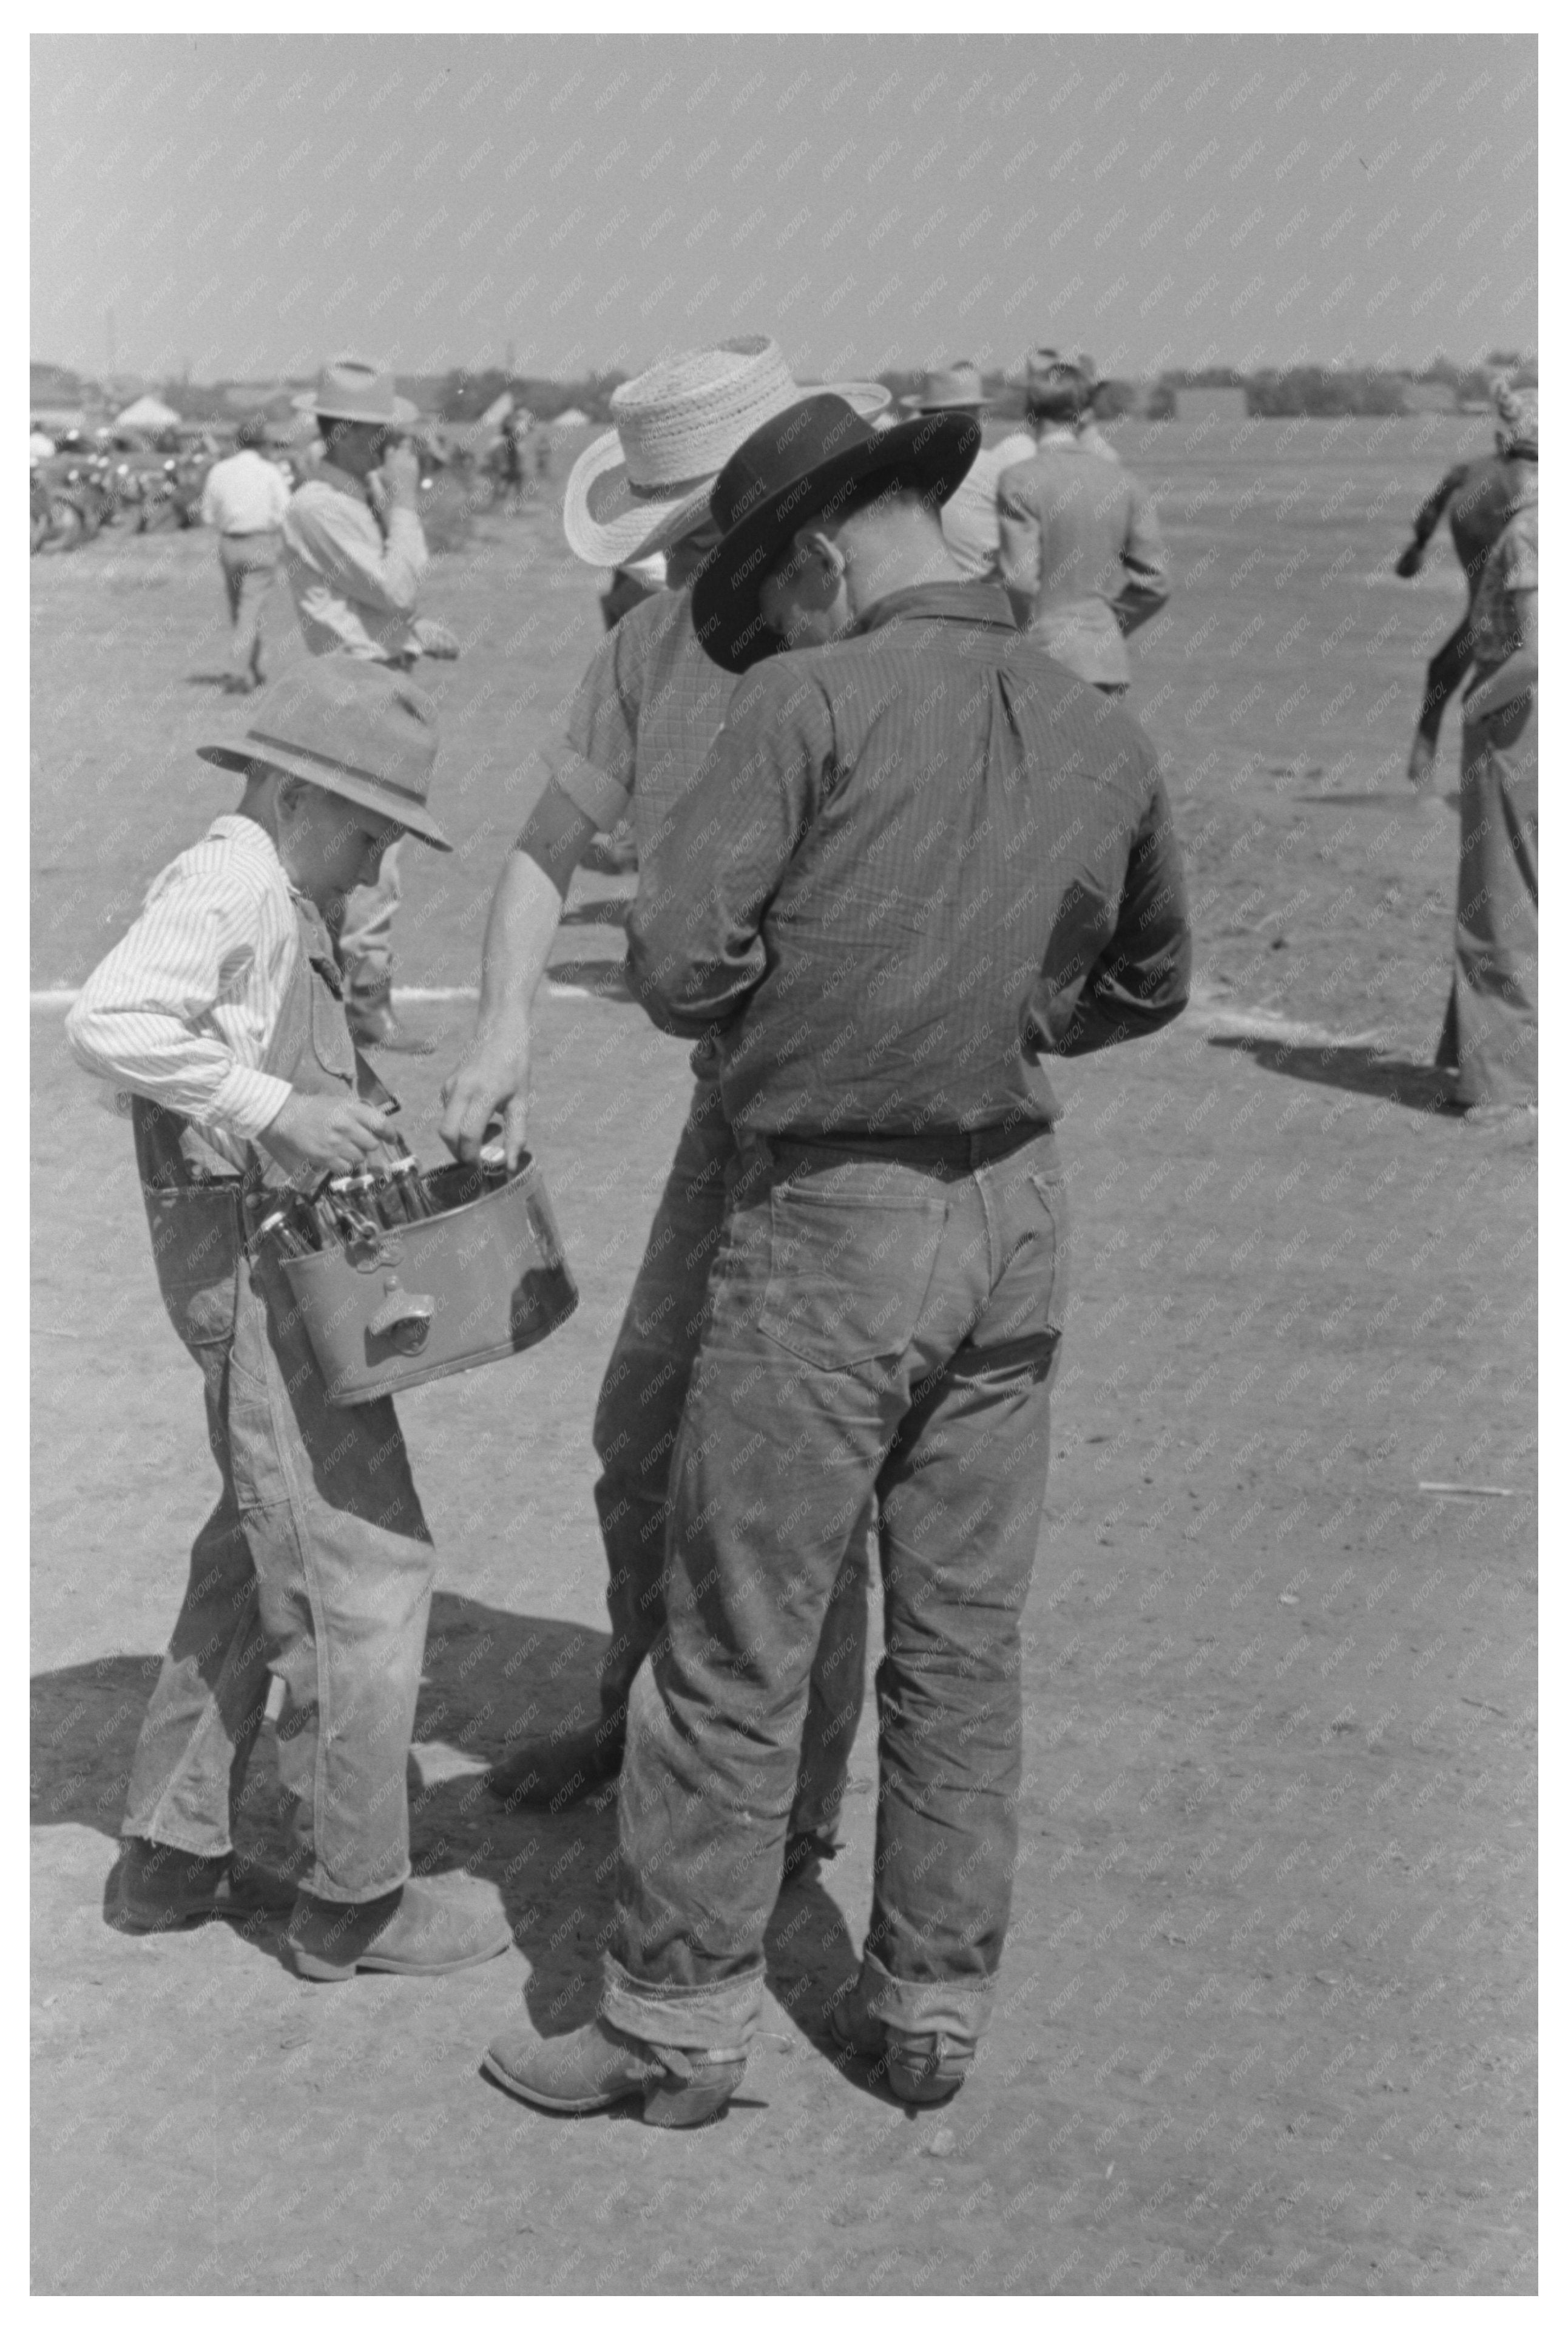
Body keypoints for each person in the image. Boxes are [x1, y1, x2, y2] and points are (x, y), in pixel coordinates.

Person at [480, 391, 1192, 2127]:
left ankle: (673, 2028)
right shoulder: (1096, 715)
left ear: (814, 557)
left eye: (767, 593)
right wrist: (999, 1018)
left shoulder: (808, 699)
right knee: (961, 1634)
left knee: (737, 1632)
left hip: (827, 1224)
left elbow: (677, 965)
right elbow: (1153, 981)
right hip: (1015, 1219)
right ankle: (932, 2001)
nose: (769, 630)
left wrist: (836, 1014)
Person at [441, 340, 889, 1865]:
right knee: (645, 1431)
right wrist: (501, 1031)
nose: (702, 567)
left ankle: (794, 1808)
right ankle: (638, 1702)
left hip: (862, 1119)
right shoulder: (646, 654)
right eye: (684, 542)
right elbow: (539, 840)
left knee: (798, 1476)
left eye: (713, 536)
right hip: (731, 1100)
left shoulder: (872, 639)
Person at [65, 661, 513, 1982]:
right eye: (369, 834)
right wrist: (282, 1114)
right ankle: (352, 1896)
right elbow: (112, 1018)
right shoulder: (240, 877)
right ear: (296, 790)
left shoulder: (275, 885)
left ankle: (172, 1848)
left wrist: (339, 1115)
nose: (375, 870)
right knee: (358, 1562)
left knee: (254, 1534)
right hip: (251, 1260)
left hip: (256, 1247)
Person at [282, 356, 456, 1053]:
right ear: (351, 434)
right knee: (368, 849)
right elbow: (396, 585)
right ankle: (360, 1004)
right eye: (384, 437)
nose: (393, 451)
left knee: (368, 847)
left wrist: (409, 636)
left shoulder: (344, 499)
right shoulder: (322, 505)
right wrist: (407, 501)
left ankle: (346, 999)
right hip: (356, 690)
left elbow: (364, 603)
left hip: (369, 676)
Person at [1434, 382, 1538, 1118]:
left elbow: (1535, 651)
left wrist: (1473, 705)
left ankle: (1507, 1086)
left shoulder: (1529, 529)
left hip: (1516, 723)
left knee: (1501, 903)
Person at [997, 348, 1171, 694]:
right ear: (1081, 414)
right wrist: (1103, 627)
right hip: (1107, 664)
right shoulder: (1123, 479)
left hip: (1044, 662)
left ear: (1029, 412)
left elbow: (1020, 583)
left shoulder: (1018, 479)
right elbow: (1155, 583)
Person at [1396, 385, 1538, 785]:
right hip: (1507, 710)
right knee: (1490, 626)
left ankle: (1422, 775)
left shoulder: (1525, 526)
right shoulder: (1525, 529)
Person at [904, 364, 1034, 579]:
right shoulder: (998, 471)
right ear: (974, 415)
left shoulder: (902, 475)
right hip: (985, 595)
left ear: (923, 416)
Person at [199, 416, 291, 695]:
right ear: (262, 443)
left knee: (240, 610)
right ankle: (244, 670)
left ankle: (248, 668)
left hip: (230, 543)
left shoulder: (219, 470)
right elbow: (286, 510)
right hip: (262, 541)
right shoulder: (270, 472)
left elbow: (207, 514)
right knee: (249, 612)